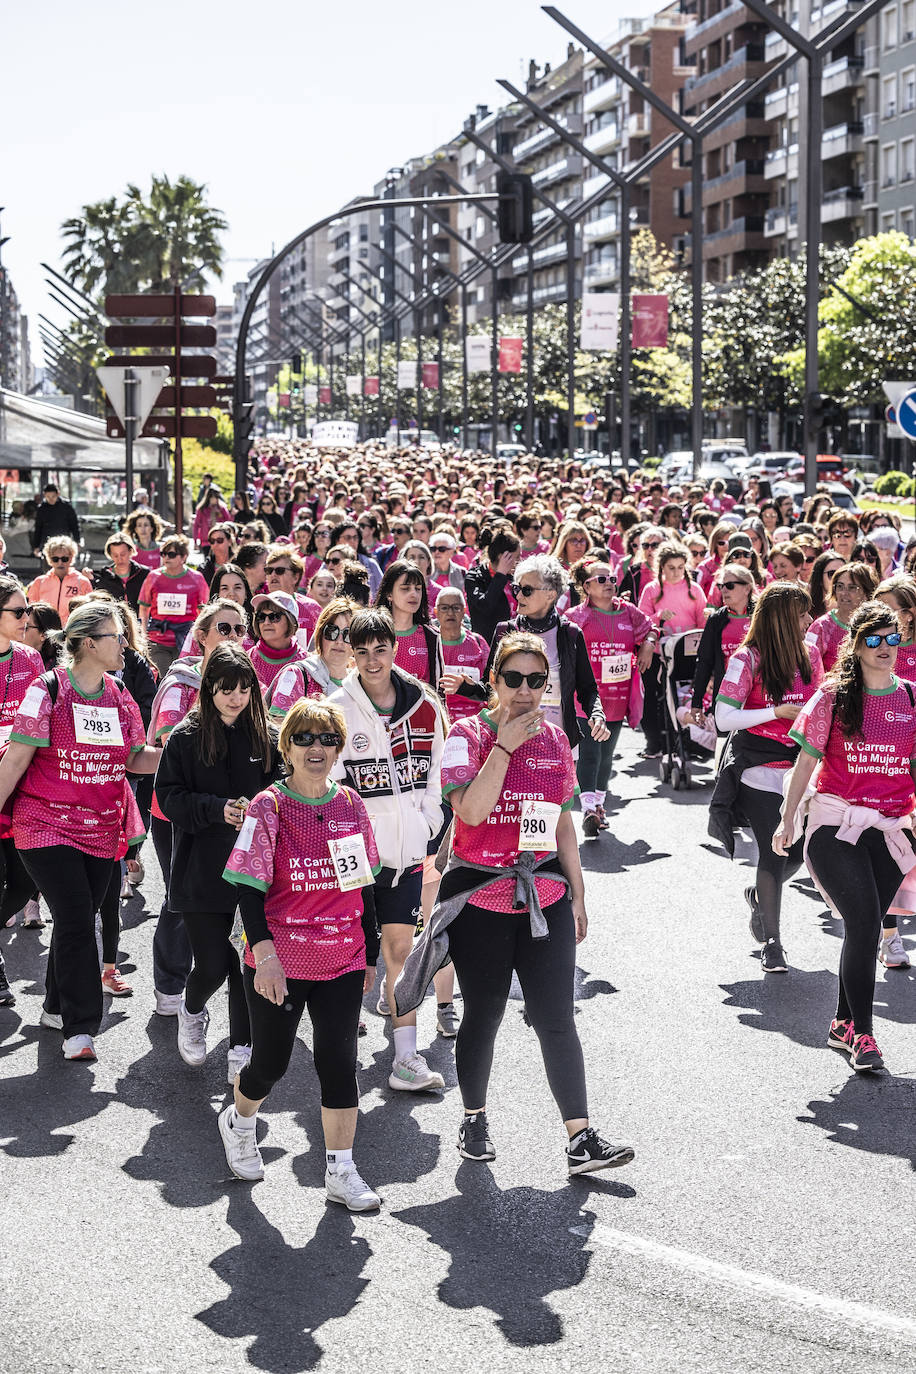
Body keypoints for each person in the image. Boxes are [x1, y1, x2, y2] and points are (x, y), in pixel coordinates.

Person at [394, 631, 634, 1174]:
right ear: (495, 681)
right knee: (486, 1014)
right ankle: (474, 1117)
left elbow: (563, 824)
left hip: (542, 894)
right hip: (481, 898)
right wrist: (503, 744)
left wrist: (577, 893)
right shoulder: (466, 735)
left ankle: (580, 1136)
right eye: (513, 680)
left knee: (556, 1017)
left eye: (536, 681)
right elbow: (472, 814)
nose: (525, 692)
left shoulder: (554, 740)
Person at [219, 697, 381, 1205]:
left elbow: (364, 887)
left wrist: (370, 953)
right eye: (304, 738)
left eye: (327, 739)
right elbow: (247, 889)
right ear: (286, 747)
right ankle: (239, 1121)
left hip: (342, 959)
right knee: (270, 1063)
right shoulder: (269, 807)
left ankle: (341, 1171)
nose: (316, 748)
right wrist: (264, 956)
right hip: (280, 961)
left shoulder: (351, 805)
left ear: (338, 749)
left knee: (339, 1062)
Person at [0, 603, 159, 1059]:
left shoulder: (119, 693)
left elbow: (135, 758)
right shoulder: (45, 690)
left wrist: (180, 754)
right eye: (116, 637)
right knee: (75, 918)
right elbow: (15, 761)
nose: (125, 644)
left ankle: (54, 1007)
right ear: (90, 643)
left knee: (78, 915)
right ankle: (81, 1027)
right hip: (44, 824)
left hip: (101, 828)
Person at [774, 601, 916, 1073]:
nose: (885, 648)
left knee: (867, 924)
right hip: (837, 827)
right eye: (874, 639)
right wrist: (788, 817)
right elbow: (806, 763)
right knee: (863, 924)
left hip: (892, 831)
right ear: (856, 644)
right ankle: (865, 1036)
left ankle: (840, 1023)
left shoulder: (912, 699)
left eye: (892, 638)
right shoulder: (832, 697)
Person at [330, 608, 446, 1092]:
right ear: (351, 655)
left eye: (381, 649)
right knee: (351, 957)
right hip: (352, 858)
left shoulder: (425, 706)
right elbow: (327, 781)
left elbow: (437, 774)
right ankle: (337, 1054)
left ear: (395, 647)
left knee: (401, 949)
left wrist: (427, 825)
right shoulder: (336, 707)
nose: (373, 660)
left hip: (405, 856)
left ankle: (405, 1058)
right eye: (363, 651)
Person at [156, 644, 280, 1080]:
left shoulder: (266, 736)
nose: (236, 698)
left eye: (244, 689)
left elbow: (282, 788)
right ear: (208, 689)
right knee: (211, 965)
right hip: (200, 873)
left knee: (245, 967)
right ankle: (192, 1010)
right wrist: (215, 808)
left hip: (253, 878)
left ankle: (241, 1048)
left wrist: (263, 807)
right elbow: (168, 797)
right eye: (226, 689)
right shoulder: (186, 737)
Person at [712, 582, 823, 973]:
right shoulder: (748, 657)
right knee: (773, 851)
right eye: (802, 613)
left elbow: (818, 707)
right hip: (758, 768)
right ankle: (773, 944)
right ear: (781, 620)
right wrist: (776, 712)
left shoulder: (810, 652)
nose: (809, 620)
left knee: (797, 853)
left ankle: (760, 896)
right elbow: (724, 718)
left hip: (802, 768)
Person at [147, 598, 249, 1015]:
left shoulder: (246, 685)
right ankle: (171, 987)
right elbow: (168, 737)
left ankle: (237, 1023)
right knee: (180, 900)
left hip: (232, 819)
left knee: (236, 905)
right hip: (176, 814)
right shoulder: (182, 682)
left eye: (240, 629)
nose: (234, 637)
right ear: (202, 636)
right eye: (224, 629)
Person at [566, 558, 656, 832]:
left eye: (612, 579)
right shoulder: (577, 616)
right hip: (587, 698)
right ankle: (588, 808)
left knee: (607, 755)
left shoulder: (628, 611)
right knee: (591, 752)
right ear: (587, 586)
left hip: (619, 695)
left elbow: (650, 628)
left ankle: (599, 806)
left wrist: (648, 644)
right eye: (601, 579)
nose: (609, 584)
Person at [486, 554, 608, 753]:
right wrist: (466, 687)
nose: (518, 596)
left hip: (558, 743)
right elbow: (489, 686)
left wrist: (597, 714)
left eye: (526, 590)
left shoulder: (570, 634)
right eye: (517, 588)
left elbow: (587, 688)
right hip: (510, 741)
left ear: (551, 594)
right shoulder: (504, 631)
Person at [637, 541, 708, 759]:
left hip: (687, 654)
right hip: (658, 653)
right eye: (671, 567)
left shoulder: (694, 589)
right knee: (652, 697)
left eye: (680, 567)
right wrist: (658, 617)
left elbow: (702, 623)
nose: (676, 572)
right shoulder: (652, 589)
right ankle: (654, 743)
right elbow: (641, 620)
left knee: (682, 698)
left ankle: (685, 742)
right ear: (661, 567)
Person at [265, 597, 355, 720]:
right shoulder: (295, 675)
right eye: (331, 632)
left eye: (348, 634)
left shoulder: (358, 682)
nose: (339, 641)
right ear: (319, 634)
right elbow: (276, 726)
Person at [690, 564, 755, 726]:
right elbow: (704, 662)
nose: (724, 590)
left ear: (747, 588)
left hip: (756, 695)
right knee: (723, 745)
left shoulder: (762, 617)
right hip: (726, 696)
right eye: (721, 586)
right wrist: (696, 702)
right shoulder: (716, 620)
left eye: (730, 586)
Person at [138, 535, 209, 678]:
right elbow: (144, 609)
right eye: (163, 554)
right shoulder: (153, 577)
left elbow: (204, 611)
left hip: (185, 639)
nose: (166, 558)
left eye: (171, 554)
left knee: (183, 680)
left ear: (183, 557)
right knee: (164, 679)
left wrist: (199, 636)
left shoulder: (196, 578)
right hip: (157, 639)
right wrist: (143, 635)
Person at [374, 558, 443, 688]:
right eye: (405, 588)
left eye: (418, 588)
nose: (414, 594)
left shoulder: (431, 636)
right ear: (389, 594)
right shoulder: (373, 633)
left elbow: (438, 690)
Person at [808, 563, 876, 672]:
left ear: (867, 593)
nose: (844, 593)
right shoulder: (821, 627)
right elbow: (809, 669)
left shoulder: (876, 625)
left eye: (852, 588)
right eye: (840, 586)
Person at [435, 588, 489, 724]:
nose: (450, 613)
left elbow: (491, 684)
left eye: (456, 608)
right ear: (436, 612)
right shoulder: (429, 642)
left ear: (464, 611)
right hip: (440, 718)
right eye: (444, 608)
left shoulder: (478, 642)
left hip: (474, 721)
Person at [465, 527, 520, 643]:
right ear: (503, 556)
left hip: (514, 643)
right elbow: (484, 606)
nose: (520, 561)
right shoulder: (475, 576)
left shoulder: (516, 578)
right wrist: (500, 575)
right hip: (487, 644)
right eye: (517, 557)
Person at [26, 537, 92, 626]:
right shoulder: (39, 582)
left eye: (64, 559)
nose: (60, 563)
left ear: (71, 558)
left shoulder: (82, 582)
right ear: (49, 559)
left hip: (72, 631)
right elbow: (30, 611)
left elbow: (89, 611)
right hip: (45, 631)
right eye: (55, 559)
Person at [249, 590, 306, 691]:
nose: (266, 622)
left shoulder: (306, 663)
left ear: (290, 621)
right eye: (261, 617)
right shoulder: (247, 660)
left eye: (274, 617)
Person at [93, 533, 148, 613]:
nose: (119, 559)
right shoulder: (104, 577)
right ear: (110, 555)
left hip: (140, 622)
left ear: (130, 551)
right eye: (115, 555)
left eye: (123, 554)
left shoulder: (144, 574)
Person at [32, 482, 80, 554]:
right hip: (47, 544)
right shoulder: (42, 509)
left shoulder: (66, 508)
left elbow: (74, 526)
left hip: (64, 543)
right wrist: (36, 546)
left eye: (53, 496)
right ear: (45, 495)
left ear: (58, 494)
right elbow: (38, 528)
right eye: (48, 497)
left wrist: (77, 541)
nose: (51, 499)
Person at [23, 602, 61, 670]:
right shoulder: (13, 659)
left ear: (44, 635)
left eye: (25, 627)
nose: (19, 631)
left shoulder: (61, 671)